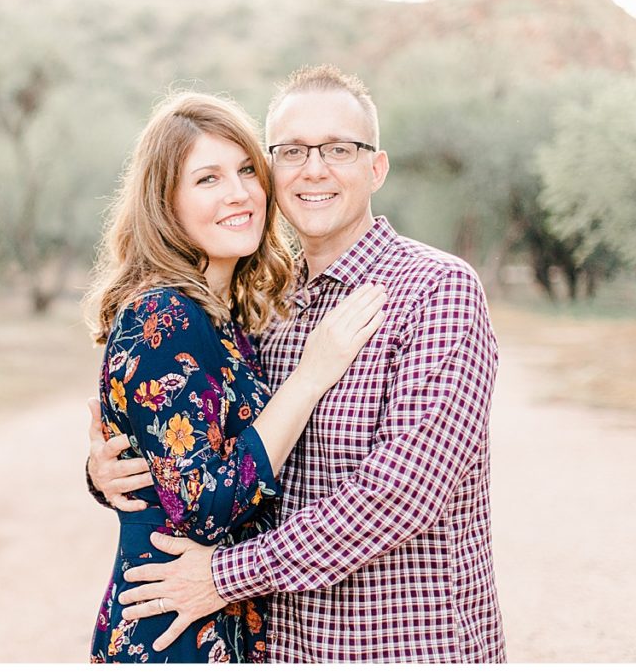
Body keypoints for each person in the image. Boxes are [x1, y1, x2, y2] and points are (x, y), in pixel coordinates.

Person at [87, 65, 506, 663]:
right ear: (276, 173)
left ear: (375, 167)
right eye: (291, 152)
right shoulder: (265, 310)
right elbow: (204, 451)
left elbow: (401, 496)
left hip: (399, 646)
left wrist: (224, 576)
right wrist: (114, 469)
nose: (315, 169)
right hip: (280, 649)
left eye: (339, 148)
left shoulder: (435, 290)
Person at [82, 90, 386, 663]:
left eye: (248, 169)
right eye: (207, 179)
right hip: (175, 632)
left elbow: (174, 460)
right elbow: (203, 505)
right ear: (164, 203)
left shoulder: (226, 319)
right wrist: (310, 376)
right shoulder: (165, 317)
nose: (239, 192)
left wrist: (105, 476)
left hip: (223, 623)